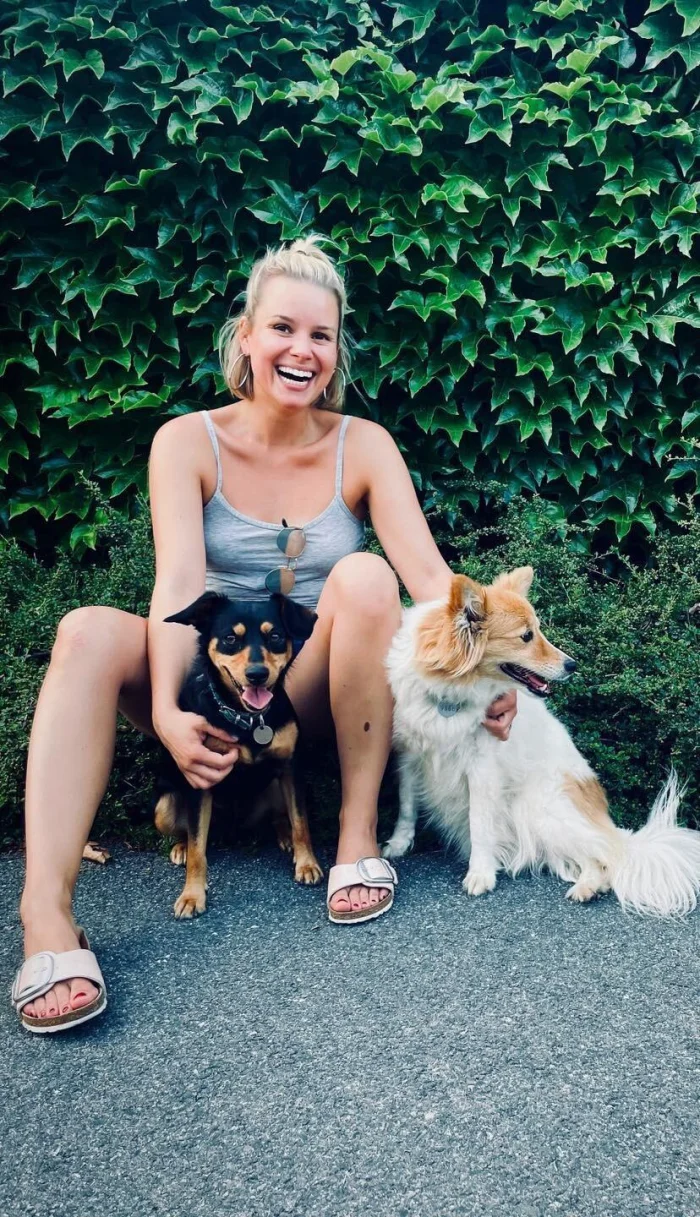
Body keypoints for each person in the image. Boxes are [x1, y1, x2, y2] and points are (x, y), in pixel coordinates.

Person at [13, 237, 517, 1032]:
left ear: (336, 352)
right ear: (245, 335)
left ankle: (355, 838)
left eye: (321, 335)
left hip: (307, 689)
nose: (301, 350)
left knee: (366, 577)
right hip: (209, 681)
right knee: (83, 632)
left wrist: (490, 675)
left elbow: (432, 582)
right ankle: (46, 915)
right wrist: (171, 713)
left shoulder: (363, 445)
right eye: (282, 328)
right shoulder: (187, 441)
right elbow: (178, 585)